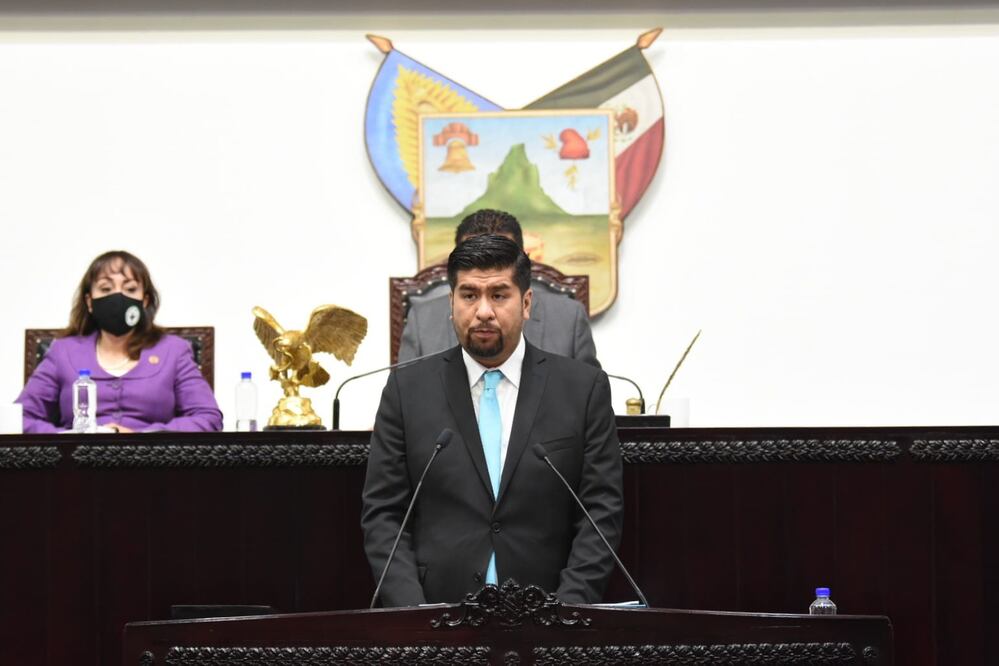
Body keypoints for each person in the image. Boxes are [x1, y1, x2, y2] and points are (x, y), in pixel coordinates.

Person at [362, 234, 622, 607]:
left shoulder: (582, 389)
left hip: (549, 614)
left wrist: (567, 611)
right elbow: (384, 514)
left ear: (526, 303)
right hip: (436, 616)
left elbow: (601, 510)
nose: (483, 311)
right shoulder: (407, 391)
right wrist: (412, 614)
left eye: (499, 295)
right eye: (469, 295)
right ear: (451, 304)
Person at [17, 251, 222, 433]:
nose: (118, 297)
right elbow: (20, 418)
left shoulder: (173, 350)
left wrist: (143, 438)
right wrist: (68, 439)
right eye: (106, 289)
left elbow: (208, 418)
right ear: (89, 302)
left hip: (151, 460)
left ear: (145, 301)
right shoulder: (63, 351)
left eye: (130, 289)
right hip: (76, 461)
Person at [397, 209, 599, 367]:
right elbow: (407, 397)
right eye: (475, 255)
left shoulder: (569, 318)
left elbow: (586, 396)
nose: (488, 263)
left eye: (501, 255)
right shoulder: (422, 320)